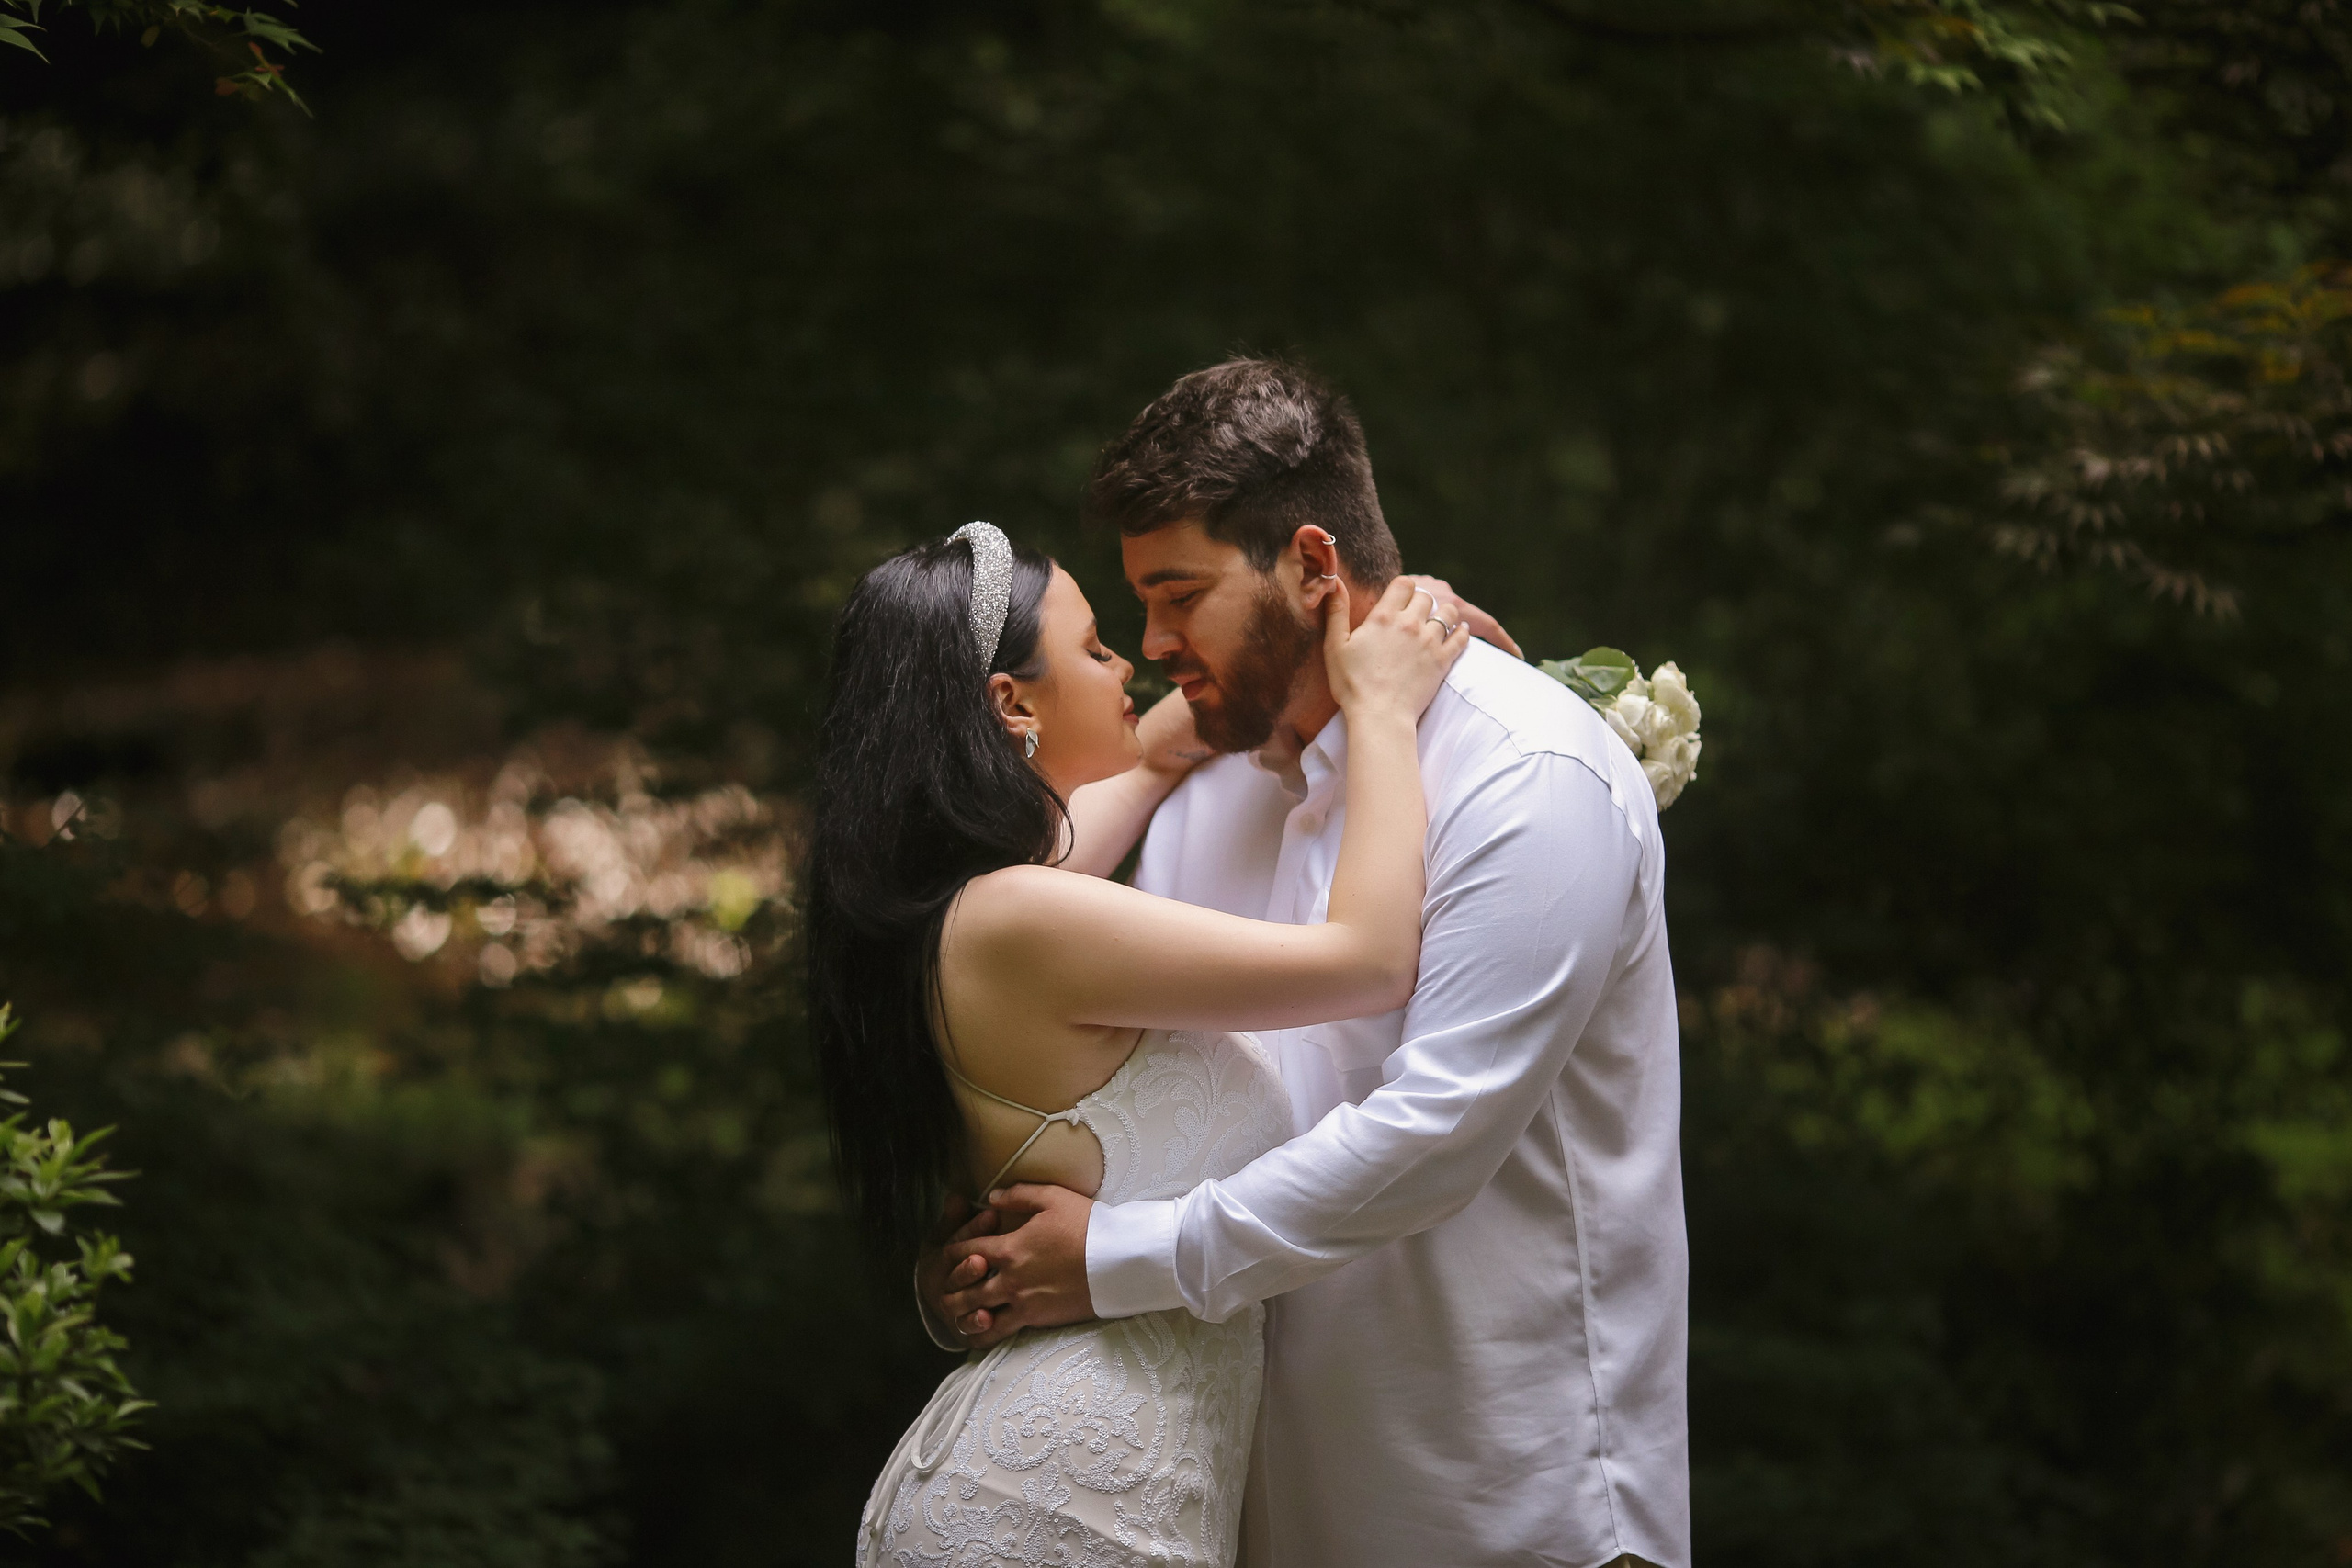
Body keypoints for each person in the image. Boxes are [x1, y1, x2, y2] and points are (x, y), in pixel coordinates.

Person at [931, 359, 1691, 1568]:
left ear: (1313, 565)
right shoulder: (1199, 788)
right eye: (1138, 604)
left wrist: (1110, 1257)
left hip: (1503, 1500)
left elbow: (1435, 1128)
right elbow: (990, 942)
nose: (1153, 643)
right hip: (1252, 1501)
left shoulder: (1527, 771)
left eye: (1179, 595)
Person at [807, 517, 1470, 1566]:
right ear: (1009, 703)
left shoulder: (967, 920)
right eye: (1094, 647)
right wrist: (1380, 710)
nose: (1130, 662)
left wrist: (1231, 693)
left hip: (1093, 1490)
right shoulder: (1023, 919)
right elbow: (1367, 959)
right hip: (1059, 1500)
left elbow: (1150, 759)